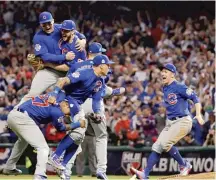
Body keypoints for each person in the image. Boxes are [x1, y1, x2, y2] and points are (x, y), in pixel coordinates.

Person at [130, 63, 205, 179]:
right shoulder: (165, 87)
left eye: (165, 71)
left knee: (165, 144)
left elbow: (195, 98)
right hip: (170, 122)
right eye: (162, 71)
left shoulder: (179, 86)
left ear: (173, 74)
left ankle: (184, 165)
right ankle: (145, 173)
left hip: (183, 121)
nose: (162, 73)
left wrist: (199, 114)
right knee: (157, 146)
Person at [47, 55, 114, 175]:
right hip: (67, 99)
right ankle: (56, 156)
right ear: (100, 66)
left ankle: (63, 165)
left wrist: (98, 113)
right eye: (107, 65)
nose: (109, 67)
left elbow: (96, 99)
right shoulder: (85, 73)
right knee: (78, 132)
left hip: (76, 103)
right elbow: (62, 80)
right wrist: (54, 94)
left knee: (79, 137)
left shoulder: (100, 80)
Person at [1, 92, 86, 180]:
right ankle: (40, 175)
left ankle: (9, 167)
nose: (67, 115)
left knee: (22, 141)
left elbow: (62, 92)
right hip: (23, 118)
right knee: (43, 148)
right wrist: (78, 124)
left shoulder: (55, 95)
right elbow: (61, 128)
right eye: (69, 113)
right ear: (66, 105)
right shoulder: (57, 111)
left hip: (14, 115)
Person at [18, 12, 86, 105]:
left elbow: (76, 32)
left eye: (49, 23)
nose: (47, 26)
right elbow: (45, 56)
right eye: (44, 24)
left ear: (53, 21)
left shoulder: (60, 28)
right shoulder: (38, 37)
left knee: (74, 98)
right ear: (40, 24)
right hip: (49, 70)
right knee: (33, 93)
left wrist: (83, 40)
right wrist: (64, 56)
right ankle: (18, 111)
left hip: (67, 71)